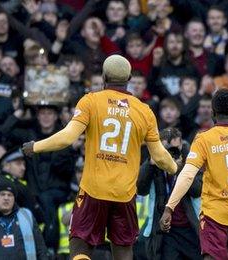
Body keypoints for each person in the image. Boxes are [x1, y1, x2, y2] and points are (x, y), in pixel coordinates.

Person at [22, 54, 177, 259]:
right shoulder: (144, 111)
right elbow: (158, 156)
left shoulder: (90, 101)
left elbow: (68, 137)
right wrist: (175, 168)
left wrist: (35, 146)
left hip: (93, 190)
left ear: (103, 76)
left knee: (79, 247)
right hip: (124, 194)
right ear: (129, 78)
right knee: (123, 250)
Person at [160, 89, 228, 260]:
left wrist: (169, 207)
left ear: (213, 112)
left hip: (214, 214)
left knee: (212, 257)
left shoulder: (204, 139)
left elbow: (187, 175)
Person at [136, 128, 202, 260]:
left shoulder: (192, 161)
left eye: (175, 148)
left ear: (182, 145)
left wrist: (179, 168)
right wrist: (150, 163)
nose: (172, 153)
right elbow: (141, 190)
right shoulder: (154, 164)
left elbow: (197, 191)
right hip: (166, 232)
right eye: (167, 150)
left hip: (191, 229)